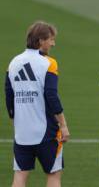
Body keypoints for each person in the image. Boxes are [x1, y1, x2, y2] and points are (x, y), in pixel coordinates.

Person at [5, 21, 70, 187]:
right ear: (41, 40)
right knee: (54, 174)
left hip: (22, 132)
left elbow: (9, 96)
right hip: (46, 131)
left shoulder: (13, 63)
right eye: (51, 39)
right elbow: (51, 95)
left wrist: (14, 120)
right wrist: (63, 125)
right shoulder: (49, 63)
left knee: (19, 175)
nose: (53, 43)